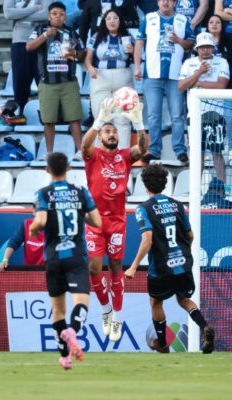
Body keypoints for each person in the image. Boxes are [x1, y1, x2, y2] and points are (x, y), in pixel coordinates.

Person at [125, 163, 216, 354]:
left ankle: (162, 343)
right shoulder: (178, 205)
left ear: (145, 185)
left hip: (161, 267)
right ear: (165, 184)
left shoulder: (143, 209)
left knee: (155, 302)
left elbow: (147, 240)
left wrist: (133, 267)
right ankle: (204, 327)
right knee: (184, 299)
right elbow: (190, 235)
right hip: (183, 263)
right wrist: (182, 252)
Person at [81, 98, 146, 341]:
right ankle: (105, 309)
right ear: (100, 137)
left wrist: (139, 123)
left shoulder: (125, 156)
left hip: (117, 221)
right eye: (107, 131)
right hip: (94, 221)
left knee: (116, 268)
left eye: (114, 131)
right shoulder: (94, 155)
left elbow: (142, 149)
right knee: (94, 268)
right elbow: (84, 146)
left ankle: (117, 316)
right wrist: (99, 120)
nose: (111, 134)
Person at [29, 151, 101, 371]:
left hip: (54, 257)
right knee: (81, 303)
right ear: (69, 168)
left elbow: (40, 220)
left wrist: (33, 230)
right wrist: (79, 215)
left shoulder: (43, 193)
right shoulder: (80, 192)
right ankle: (73, 331)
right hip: (76, 256)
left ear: (48, 170)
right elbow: (97, 222)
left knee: (58, 310)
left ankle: (64, 358)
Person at [133, 0, 195, 163]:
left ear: (175, 2)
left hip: (176, 75)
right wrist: (137, 66)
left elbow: (191, 44)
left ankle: (179, 149)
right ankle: (154, 150)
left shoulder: (183, 20)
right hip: (152, 74)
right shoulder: (148, 18)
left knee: (177, 115)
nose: (165, 2)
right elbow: (139, 43)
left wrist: (179, 40)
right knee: (153, 115)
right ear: (158, 1)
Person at [26, 1, 85, 156]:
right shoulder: (40, 29)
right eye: (54, 14)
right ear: (48, 16)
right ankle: (49, 153)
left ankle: (81, 152)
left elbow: (82, 54)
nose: (58, 17)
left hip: (69, 82)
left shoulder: (71, 32)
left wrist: (74, 53)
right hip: (47, 82)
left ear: (65, 16)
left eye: (61, 14)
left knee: (74, 119)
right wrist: (45, 35)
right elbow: (29, 47)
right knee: (48, 120)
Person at [3, 0, 55, 113]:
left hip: (41, 40)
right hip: (20, 40)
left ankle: (48, 115)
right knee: (20, 81)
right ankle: (20, 114)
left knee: (43, 80)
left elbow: (46, 14)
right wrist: (34, 8)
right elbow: (8, 13)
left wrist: (20, 14)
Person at [178, 32, 230, 185]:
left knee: (216, 152)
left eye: (208, 46)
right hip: (195, 114)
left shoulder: (222, 62)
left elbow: (221, 85)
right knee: (196, 153)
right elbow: (181, 86)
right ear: (197, 49)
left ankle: (223, 188)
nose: (205, 50)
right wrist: (199, 73)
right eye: (202, 47)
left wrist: (198, 83)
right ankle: (195, 189)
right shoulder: (188, 63)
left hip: (216, 113)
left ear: (213, 48)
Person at [84, 10, 136, 147]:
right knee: (100, 118)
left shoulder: (128, 36)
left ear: (120, 20)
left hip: (123, 77)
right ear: (104, 22)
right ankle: (100, 154)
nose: (112, 21)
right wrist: (90, 68)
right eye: (109, 18)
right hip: (101, 78)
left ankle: (123, 153)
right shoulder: (96, 36)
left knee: (123, 119)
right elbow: (88, 57)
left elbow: (137, 57)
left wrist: (133, 51)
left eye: (115, 18)